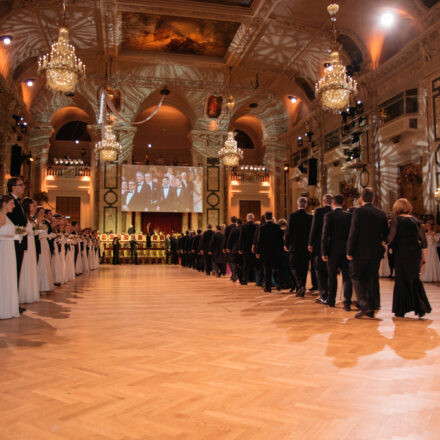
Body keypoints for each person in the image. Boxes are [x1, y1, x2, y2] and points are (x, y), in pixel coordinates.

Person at [347, 187, 389, 319]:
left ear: (361, 198)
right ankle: (371, 306)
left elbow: (353, 233)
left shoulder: (358, 212)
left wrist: (349, 250)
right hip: (375, 251)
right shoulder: (381, 213)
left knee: (356, 276)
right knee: (371, 278)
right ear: (373, 198)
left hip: (359, 251)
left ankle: (365, 305)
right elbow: (386, 234)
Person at [387, 198, 431, 318]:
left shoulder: (396, 220)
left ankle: (401, 310)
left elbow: (390, 239)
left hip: (402, 254)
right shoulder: (415, 220)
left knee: (401, 280)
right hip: (415, 254)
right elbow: (424, 241)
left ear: (397, 208)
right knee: (415, 279)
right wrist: (424, 258)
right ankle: (421, 308)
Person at [321, 194, 353, 310]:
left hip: (332, 251)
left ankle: (331, 301)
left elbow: (325, 235)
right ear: (343, 203)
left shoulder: (328, 216)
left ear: (333, 204)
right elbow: (351, 234)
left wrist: (323, 252)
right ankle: (347, 302)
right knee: (347, 278)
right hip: (345, 250)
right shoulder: (349, 216)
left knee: (332, 277)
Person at [7, 178, 28, 314]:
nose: (23, 187)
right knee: (13, 272)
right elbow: (10, 223)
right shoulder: (9, 202)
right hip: (13, 242)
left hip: (18, 241)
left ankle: (14, 301)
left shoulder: (17, 202)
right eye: (21, 185)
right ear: (13, 187)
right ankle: (11, 302)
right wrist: (22, 229)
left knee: (16, 272)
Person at [286, 197, 313, 297]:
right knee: (304, 267)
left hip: (295, 246)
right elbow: (312, 232)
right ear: (305, 205)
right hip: (306, 247)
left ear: (298, 204)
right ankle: (302, 288)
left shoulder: (293, 215)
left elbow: (288, 231)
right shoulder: (310, 216)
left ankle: (300, 285)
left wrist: (286, 244)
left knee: (293, 265)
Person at [308, 194, 333, 304]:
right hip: (332, 246)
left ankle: (323, 295)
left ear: (323, 202)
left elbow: (314, 228)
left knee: (320, 271)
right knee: (330, 272)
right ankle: (331, 295)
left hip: (319, 246)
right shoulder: (335, 212)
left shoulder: (318, 212)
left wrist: (310, 243)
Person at [0, 195, 20, 319]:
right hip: (3, 249)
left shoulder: (6, 217)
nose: (13, 206)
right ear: (4, 203)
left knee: (9, 275)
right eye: (11, 203)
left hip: (8, 248)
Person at [256, 211, 284, 293]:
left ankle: (268, 288)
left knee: (267, 270)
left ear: (265, 217)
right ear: (272, 217)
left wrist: (258, 252)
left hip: (265, 252)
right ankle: (278, 285)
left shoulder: (262, 227)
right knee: (276, 269)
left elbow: (259, 241)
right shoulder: (277, 227)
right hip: (275, 251)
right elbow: (280, 240)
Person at [18, 197, 40, 304]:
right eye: (33, 205)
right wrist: (28, 230)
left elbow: (33, 230)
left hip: (32, 243)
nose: (34, 207)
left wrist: (36, 231)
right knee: (26, 266)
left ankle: (31, 291)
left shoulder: (32, 218)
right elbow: (19, 228)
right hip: (27, 242)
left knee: (31, 266)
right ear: (28, 205)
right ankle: (24, 293)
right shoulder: (24, 217)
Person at [35, 206, 55, 293]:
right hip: (40, 243)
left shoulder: (44, 223)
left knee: (46, 263)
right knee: (41, 263)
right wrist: (47, 235)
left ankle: (45, 284)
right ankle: (40, 285)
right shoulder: (35, 222)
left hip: (45, 243)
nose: (42, 214)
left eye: (43, 212)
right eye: (41, 212)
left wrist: (49, 236)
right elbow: (36, 234)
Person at [239, 213, 257, 285]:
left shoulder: (243, 226)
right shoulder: (256, 226)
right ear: (253, 218)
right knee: (254, 263)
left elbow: (241, 238)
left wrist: (240, 248)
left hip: (245, 247)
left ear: (247, 218)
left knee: (246, 264)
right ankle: (253, 278)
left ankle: (245, 278)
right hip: (254, 247)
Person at [226, 218, 243, 282]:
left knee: (233, 262)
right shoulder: (243, 229)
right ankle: (241, 276)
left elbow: (230, 239)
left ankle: (235, 274)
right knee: (241, 263)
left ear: (237, 223)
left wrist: (228, 247)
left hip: (234, 249)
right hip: (242, 249)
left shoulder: (234, 229)